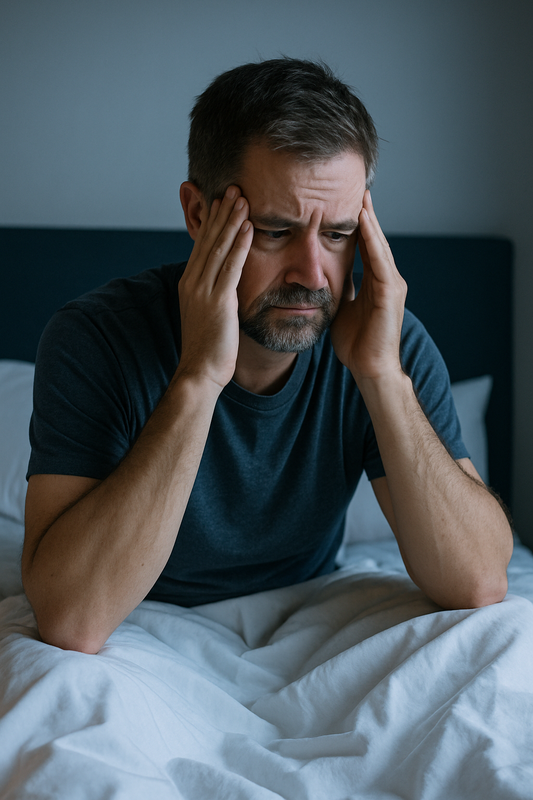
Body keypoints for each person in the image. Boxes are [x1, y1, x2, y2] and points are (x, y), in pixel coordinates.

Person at [21, 58, 513, 655]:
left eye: (336, 235)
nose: (312, 275)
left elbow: (481, 582)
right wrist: (199, 378)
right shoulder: (95, 338)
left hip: (313, 615)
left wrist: (382, 377)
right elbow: (73, 620)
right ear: (199, 215)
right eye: (276, 232)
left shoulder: (387, 343)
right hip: (142, 622)